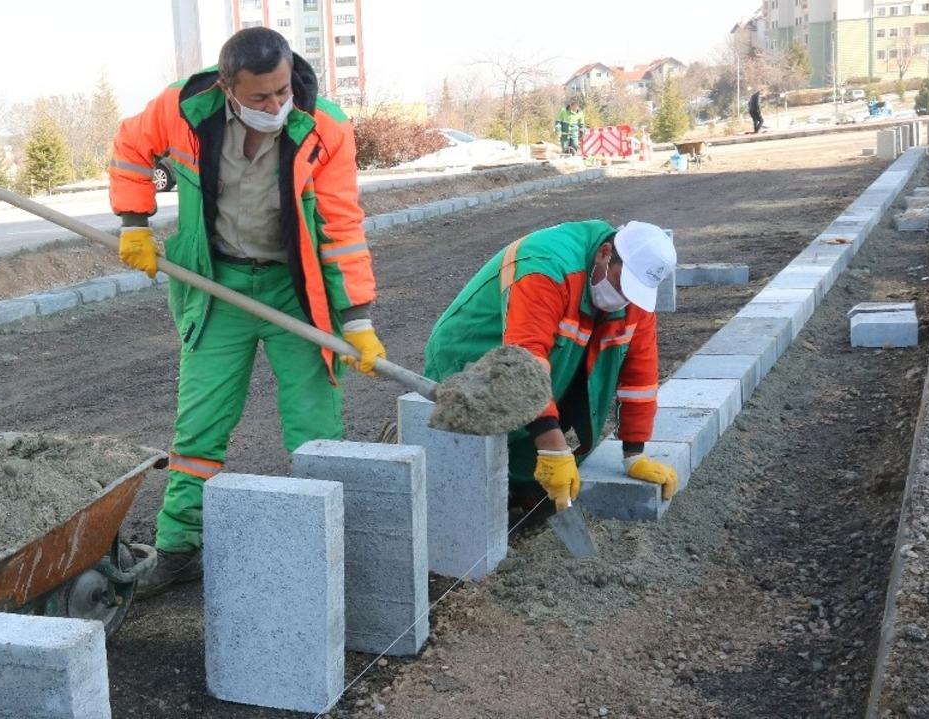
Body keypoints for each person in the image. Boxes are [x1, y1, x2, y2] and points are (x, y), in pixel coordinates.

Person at [108, 27, 386, 595]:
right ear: (229, 87)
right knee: (199, 427)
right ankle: (180, 547)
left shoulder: (323, 126)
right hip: (218, 286)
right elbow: (130, 147)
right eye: (260, 97)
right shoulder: (183, 108)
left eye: (282, 91)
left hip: (294, 290)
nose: (276, 106)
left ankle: (332, 542)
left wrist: (356, 318)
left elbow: (340, 228)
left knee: (317, 426)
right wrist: (134, 222)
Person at [424, 220, 679, 514]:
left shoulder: (634, 297)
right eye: (622, 282)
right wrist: (553, 447)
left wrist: (634, 453)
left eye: (633, 290)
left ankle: (519, 496)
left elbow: (640, 377)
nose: (624, 297)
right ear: (605, 253)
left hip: (544, 362)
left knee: (529, 476)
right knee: (461, 468)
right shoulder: (545, 266)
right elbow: (523, 364)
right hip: (474, 350)